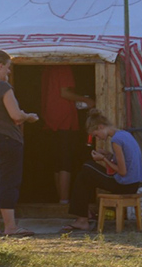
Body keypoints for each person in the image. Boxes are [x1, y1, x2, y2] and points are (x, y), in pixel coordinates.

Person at [0, 49, 39, 236]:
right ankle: (10, 227)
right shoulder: (3, 88)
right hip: (7, 139)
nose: (9, 72)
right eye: (8, 68)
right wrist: (29, 116)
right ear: (0, 66)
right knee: (8, 182)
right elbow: (16, 116)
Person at [63, 108, 142, 232]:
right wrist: (109, 155)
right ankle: (82, 218)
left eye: (96, 134)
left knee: (87, 167)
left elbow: (122, 171)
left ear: (101, 127)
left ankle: (82, 219)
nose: (98, 138)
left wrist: (103, 159)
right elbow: (127, 161)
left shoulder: (116, 140)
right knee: (85, 175)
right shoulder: (124, 134)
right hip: (133, 183)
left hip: (124, 184)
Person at [41, 65, 93, 204]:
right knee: (65, 161)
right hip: (64, 120)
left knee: (57, 162)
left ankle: (61, 199)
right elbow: (64, 93)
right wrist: (87, 100)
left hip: (51, 120)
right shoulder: (63, 68)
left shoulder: (48, 69)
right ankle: (64, 200)